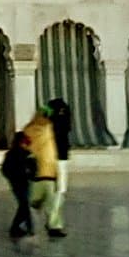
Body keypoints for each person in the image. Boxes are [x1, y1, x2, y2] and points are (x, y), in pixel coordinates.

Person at [23, 104, 65, 238]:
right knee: (33, 202)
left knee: (52, 203)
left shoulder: (47, 129)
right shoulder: (30, 130)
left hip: (48, 173)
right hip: (36, 173)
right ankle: (25, 223)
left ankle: (54, 226)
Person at [1, 131, 36, 237]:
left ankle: (20, 227)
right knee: (24, 205)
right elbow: (5, 169)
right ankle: (24, 228)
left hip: (22, 183)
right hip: (19, 183)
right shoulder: (15, 154)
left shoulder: (24, 154)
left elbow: (34, 168)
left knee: (23, 205)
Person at [47, 97, 72, 236]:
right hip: (60, 158)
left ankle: (53, 221)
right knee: (60, 191)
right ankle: (54, 224)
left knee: (53, 191)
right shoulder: (62, 123)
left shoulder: (46, 123)